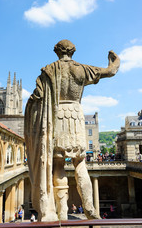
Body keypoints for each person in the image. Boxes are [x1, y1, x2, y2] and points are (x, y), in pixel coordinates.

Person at [25, 39, 120, 221]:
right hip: (75, 116)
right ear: (73, 51)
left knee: (58, 164)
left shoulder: (48, 70)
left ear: (56, 51)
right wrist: (115, 60)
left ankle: (61, 213)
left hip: (56, 118)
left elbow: (36, 97)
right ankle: (89, 207)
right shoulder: (81, 69)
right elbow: (111, 71)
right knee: (80, 163)